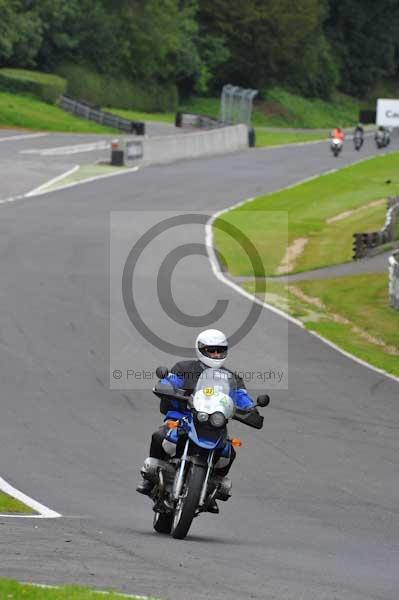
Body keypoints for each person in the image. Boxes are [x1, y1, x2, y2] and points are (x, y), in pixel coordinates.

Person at [136, 329, 258, 513]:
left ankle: (212, 488)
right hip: (182, 418)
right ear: (201, 349)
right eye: (211, 350)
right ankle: (148, 479)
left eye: (220, 350)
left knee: (229, 452)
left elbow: (242, 397)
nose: (216, 354)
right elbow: (170, 381)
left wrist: (251, 408)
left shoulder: (232, 379)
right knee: (160, 435)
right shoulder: (184, 368)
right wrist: (166, 386)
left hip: (214, 424)